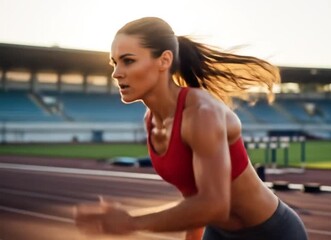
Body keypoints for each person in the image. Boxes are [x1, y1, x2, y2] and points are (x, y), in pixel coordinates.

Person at [74, 17, 308, 240]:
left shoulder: (201, 114)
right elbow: (194, 197)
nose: (116, 73)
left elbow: (214, 205)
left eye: (128, 60)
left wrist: (131, 222)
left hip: (271, 233)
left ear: (164, 61)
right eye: (114, 63)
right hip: (219, 233)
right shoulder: (152, 120)